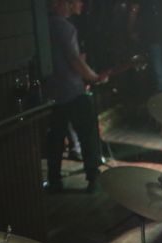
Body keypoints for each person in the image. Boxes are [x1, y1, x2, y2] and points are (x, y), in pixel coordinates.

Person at [43, 0, 108, 193]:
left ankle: (54, 180)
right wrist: (93, 77)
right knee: (87, 135)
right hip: (71, 90)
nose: (82, 4)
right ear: (65, 3)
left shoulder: (44, 25)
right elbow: (74, 60)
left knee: (55, 138)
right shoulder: (65, 27)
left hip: (51, 92)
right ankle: (93, 178)